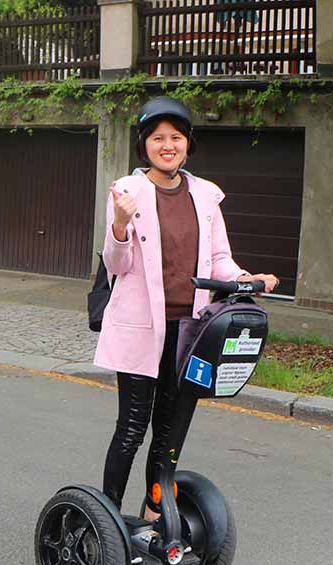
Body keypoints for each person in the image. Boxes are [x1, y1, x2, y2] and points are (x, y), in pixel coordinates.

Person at [94, 96, 278, 519]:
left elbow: (219, 260)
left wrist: (248, 278)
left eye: (175, 137)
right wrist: (120, 224)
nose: (167, 145)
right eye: (158, 138)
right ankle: (106, 518)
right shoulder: (127, 192)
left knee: (170, 430)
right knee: (132, 428)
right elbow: (116, 266)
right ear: (145, 145)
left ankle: (155, 514)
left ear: (187, 144)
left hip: (189, 330)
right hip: (141, 329)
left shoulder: (205, 196)